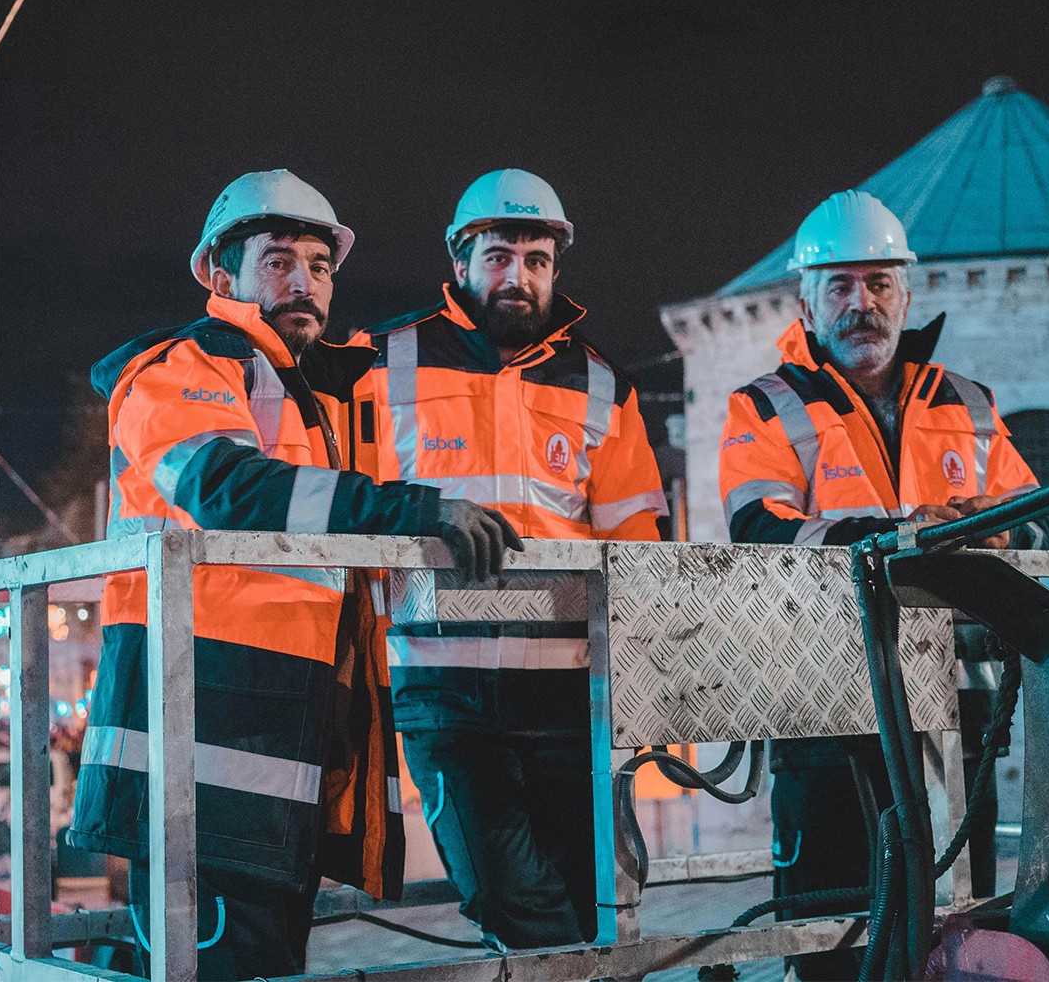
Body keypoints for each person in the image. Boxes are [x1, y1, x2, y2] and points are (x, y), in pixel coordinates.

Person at [68, 169, 521, 980]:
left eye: (319, 264)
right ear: (219, 273)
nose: (305, 282)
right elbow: (225, 486)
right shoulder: (175, 368)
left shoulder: (309, 390)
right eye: (278, 260)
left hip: (272, 750)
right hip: (195, 754)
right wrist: (416, 510)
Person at [719, 189, 1046, 981]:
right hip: (823, 700)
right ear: (805, 298)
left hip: (955, 700)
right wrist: (908, 539)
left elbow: (1031, 524)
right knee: (827, 933)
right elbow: (758, 528)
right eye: (838, 285)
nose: (859, 304)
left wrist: (986, 526)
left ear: (906, 291)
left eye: (877, 284)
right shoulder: (765, 406)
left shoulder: (969, 404)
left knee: (955, 920)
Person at [355, 168, 668, 950]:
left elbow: (639, 548)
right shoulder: (379, 363)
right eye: (498, 256)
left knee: (583, 893)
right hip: (440, 684)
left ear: (556, 267)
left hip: (568, 690)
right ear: (459, 259)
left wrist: (645, 676)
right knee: (509, 895)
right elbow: (343, 502)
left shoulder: (603, 385)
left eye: (535, 260)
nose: (518, 277)